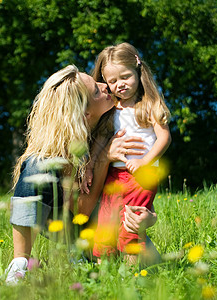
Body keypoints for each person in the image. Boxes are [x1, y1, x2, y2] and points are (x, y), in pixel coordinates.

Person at [5, 65, 158, 284]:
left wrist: (150, 217)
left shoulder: (120, 121)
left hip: (110, 221)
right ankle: (20, 264)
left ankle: (81, 256)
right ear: (86, 113)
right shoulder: (59, 149)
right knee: (34, 166)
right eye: (96, 90)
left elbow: (138, 186)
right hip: (71, 221)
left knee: (153, 266)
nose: (105, 86)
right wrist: (104, 157)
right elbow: (82, 210)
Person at [88, 43, 171, 264]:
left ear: (137, 69)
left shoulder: (149, 105)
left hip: (141, 176)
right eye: (112, 81)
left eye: (125, 77)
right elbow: (102, 141)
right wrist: (90, 164)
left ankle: (132, 274)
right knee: (106, 222)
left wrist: (145, 160)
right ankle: (104, 273)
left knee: (131, 223)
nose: (119, 85)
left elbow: (164, 137)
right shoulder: (111, 110)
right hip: (114, 176)